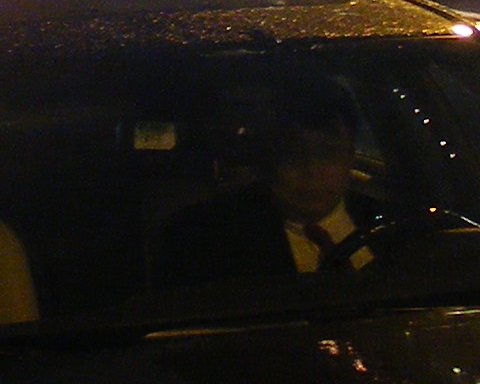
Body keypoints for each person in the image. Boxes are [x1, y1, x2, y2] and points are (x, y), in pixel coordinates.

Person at [155, 76, 385, 286]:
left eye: (328, 153)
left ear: (350, 155)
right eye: (292, 154)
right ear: (264, 159)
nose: (312, 169)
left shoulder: (393, 224)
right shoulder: (202, 241)